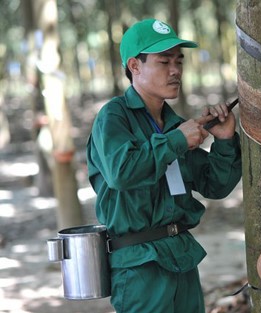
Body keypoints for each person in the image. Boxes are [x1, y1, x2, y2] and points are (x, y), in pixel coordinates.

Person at [86, 18, 242, 312]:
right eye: (164, 62)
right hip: (139, 264)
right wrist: (176, 142)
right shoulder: (114, 117)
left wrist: (224, 140)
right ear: (135, 66)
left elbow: (215, 185)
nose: (175, 70)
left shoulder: (173, 124)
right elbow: (122, 173)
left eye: (179, 62)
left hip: (180, 256)